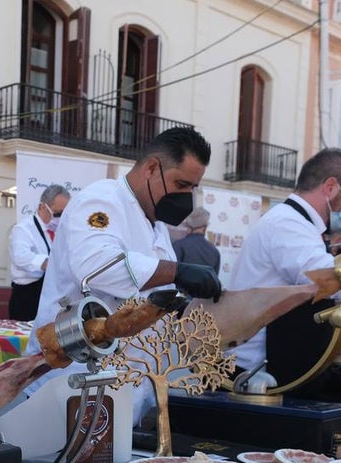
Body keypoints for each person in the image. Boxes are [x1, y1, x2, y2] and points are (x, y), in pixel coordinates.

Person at [27, 125, 222, 424]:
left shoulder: (156, 225)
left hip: (129, 386)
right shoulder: (101, 201)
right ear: (152, 168)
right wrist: (177, 271)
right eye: (181, 184)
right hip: (75, 380)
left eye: (192, 188)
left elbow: (150, 296)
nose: (187, 196)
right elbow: (96, 267)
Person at [228, 147, 341, 379]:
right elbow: (328, 277)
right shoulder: (287, 223)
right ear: (330, 187)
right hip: (253, 368)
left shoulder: (299, 224)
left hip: (273, 358)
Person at [8, 184, 71, 320]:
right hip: (26, 298)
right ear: (43, 207)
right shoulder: (23, 229)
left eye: (64, 214)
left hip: (48, 297)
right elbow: (20, 256)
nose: (60, 218)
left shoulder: (55, 233)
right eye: (57, 213)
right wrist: (50, 263)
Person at [171, 206, 221, 274]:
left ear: (187, 225)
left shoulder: (177, 246)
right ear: (205, 226)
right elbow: (214, 281)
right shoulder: (214, 251)